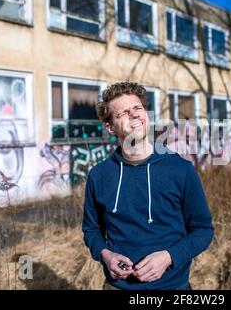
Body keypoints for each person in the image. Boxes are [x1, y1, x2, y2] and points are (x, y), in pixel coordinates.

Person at [82, 82, 214, 290]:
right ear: (110, 127)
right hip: (117, 287)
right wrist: (106, 255)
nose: (134, 115)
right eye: (124, 113)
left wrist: (169, 257)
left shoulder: (180, 169)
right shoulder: (99, 176)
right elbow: (91, 230)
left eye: (137, 108)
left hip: (173, 288)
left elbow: (203, 230)